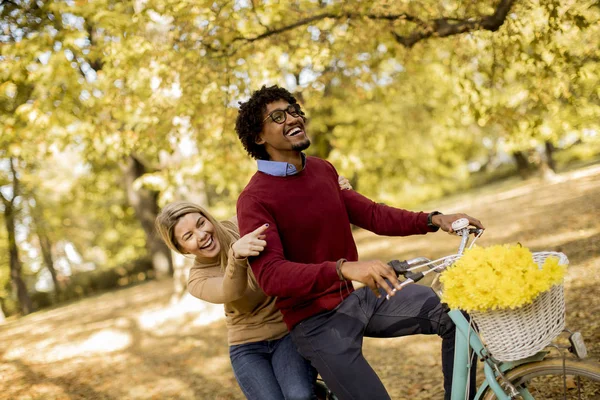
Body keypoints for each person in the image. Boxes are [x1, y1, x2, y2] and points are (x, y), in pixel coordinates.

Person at [234, 85, 484, 400]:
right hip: (316, 324)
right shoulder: (254, 199)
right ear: (259, 137)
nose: (292, 118)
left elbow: (372, 214)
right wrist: (343, 269)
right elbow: (272, 275)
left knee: (457, 318)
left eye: (294, 110)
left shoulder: (322, 169)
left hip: (358, 301)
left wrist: (433, 219)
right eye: (278, 117)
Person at [155, 183, 351, 400]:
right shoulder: (197, 279)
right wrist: (236, 256)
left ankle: (319, 393)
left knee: (299, 396)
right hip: (247, 346)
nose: (201, 235)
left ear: (209, 218)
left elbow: (287, 205)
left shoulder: (243, 224)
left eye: (201, 223)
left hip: (288, 330)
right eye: (188, 236)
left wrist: (328, 190)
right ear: (182, 249)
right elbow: (230, 291)